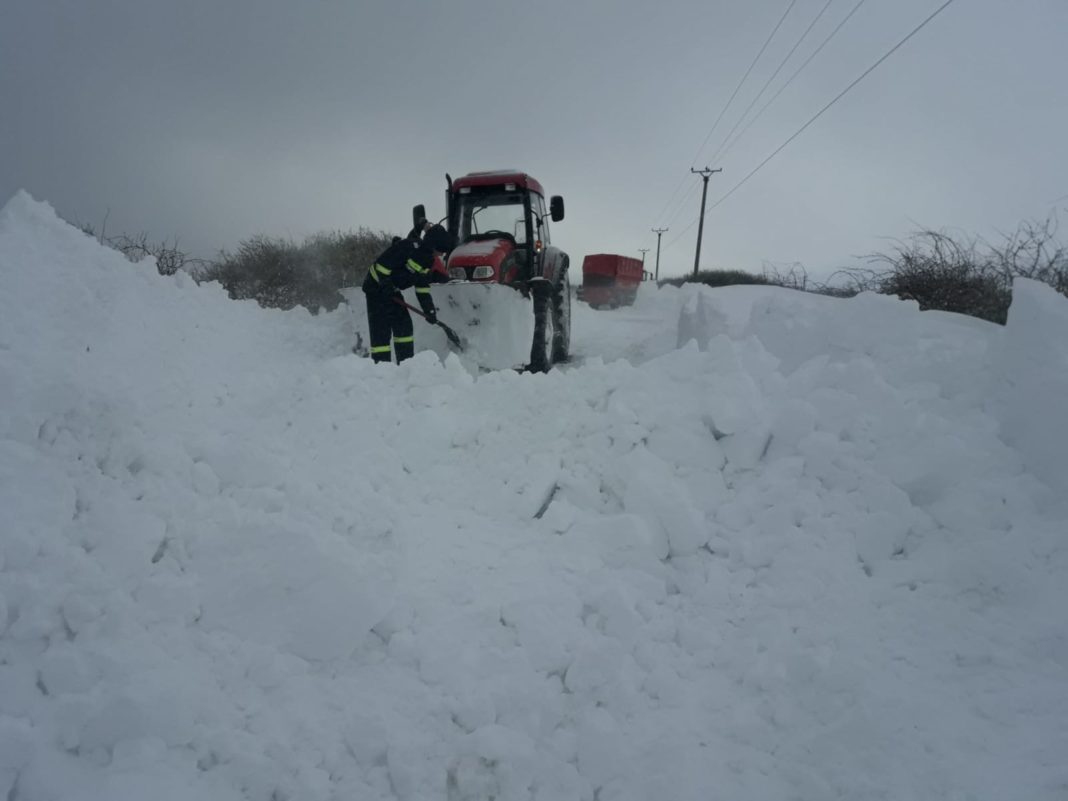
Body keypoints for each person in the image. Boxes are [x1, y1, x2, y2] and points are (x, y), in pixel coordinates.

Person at [362, 222, 455, 364]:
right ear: (433, 245)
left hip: (392, 291)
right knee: (381, 333)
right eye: (441, 250)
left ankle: (406, 365)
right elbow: (380, 266)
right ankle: (381, 369)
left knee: (404, 326)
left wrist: (429, 310)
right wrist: (385, 286)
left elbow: (422, 287)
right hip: (376, 289)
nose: (442, 254)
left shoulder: (428, 260)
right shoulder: (407, 247)